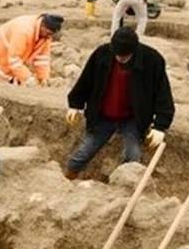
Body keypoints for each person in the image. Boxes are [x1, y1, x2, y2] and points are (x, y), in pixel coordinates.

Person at [63, 27, 174, 179]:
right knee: (84, 152)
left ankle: (124, 185)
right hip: (103, 115)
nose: (120, 58)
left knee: (132, 155)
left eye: (125, 55)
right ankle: (68, 177)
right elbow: (86, 81)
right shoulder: (102, 54)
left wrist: (160, 126)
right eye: (117, 54)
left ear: (134, 50)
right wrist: (75, 104)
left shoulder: (152, 60)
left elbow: (163, 94)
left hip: (132, 118)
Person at [0, 13, 63, 87]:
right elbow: (14, 59)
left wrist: (43, 78)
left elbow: (42, 59)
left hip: (9, 54)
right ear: (42, 26)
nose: (49, 37)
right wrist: (28, 78)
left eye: (51, 34)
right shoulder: (23, 31)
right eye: (48, 33)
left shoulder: (45, 36)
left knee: (16, 79)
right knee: (4, 82)